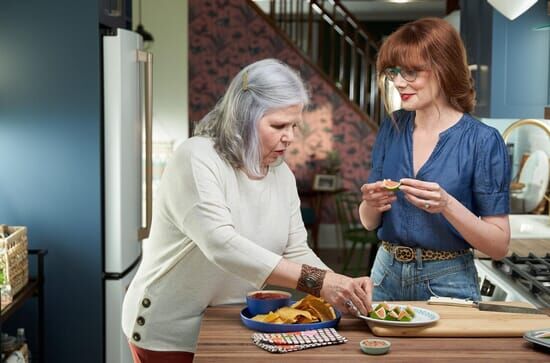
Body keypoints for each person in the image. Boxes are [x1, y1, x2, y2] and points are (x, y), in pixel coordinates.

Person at [122, 58, 373, 363]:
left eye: (294, 125)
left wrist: (340, 285)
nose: (290, 136)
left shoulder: (281, 174)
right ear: (243, 118)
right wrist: (321, 283)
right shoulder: (197, 157)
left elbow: (295, 249)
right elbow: (222, 245)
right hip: (168, 331)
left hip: (229, 323)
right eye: (279, 125)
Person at [359, 18, 510, 302]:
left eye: (412, 72)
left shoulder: (483, 140)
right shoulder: (392, 127)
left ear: (444, 69)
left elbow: (499, 246)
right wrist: (370, 203)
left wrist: (447, 205)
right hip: (384, 273)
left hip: (449, 282)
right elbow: (368, 222)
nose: (399, 82)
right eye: (394, 72)